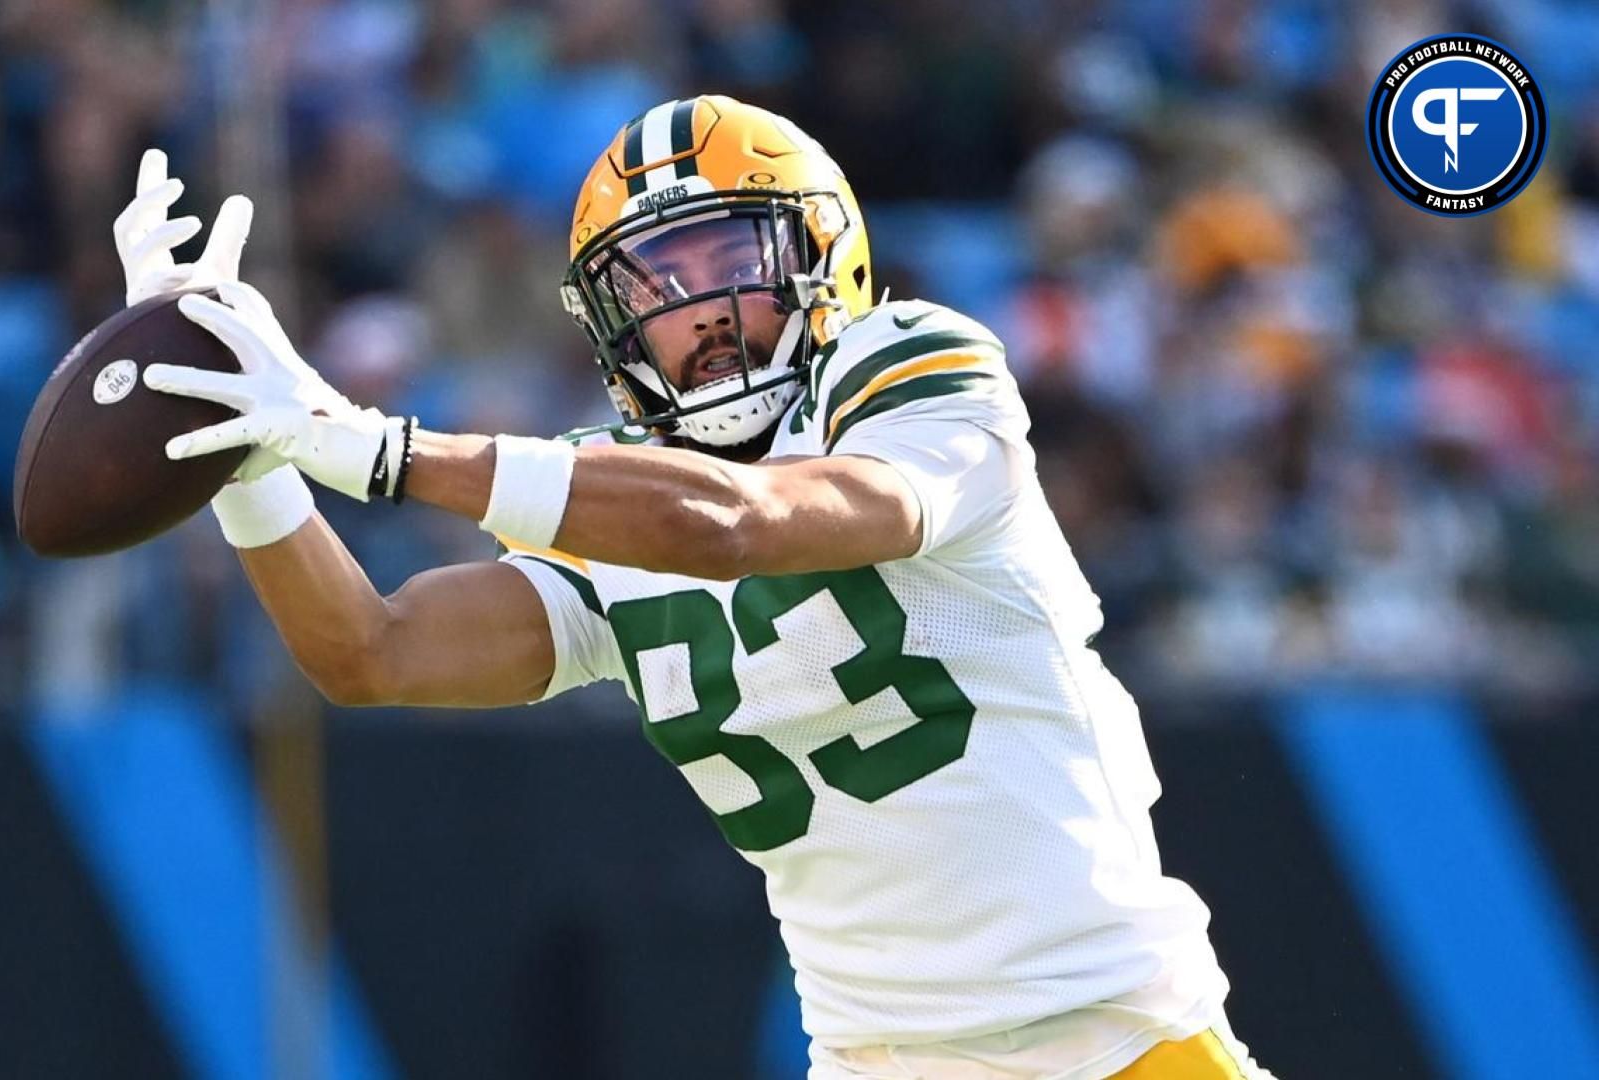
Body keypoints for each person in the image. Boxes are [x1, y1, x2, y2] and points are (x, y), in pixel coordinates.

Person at [116, 97, 1272, 1079]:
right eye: (654, 280)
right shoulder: (609, 500)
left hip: (1113, 1044)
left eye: (730, 261)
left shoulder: (909, 366)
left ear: (824, 254)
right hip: (875, 1057)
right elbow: (372, 650)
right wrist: (246, 453)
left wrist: (374, 446)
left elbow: (739, 522)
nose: (695, 313)